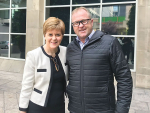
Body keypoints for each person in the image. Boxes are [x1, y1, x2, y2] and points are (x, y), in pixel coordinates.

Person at [66, 7, 133, 113]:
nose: (81, 25)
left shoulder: (110, 43)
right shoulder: (70, 48)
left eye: (84, 21)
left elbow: (124, 78)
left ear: (91, 22)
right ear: (73, 26)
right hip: (75, 109)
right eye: (76, 23)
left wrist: (121, 110)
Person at [19, 17, 68, 113]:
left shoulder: (66, 52)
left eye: (57, 34)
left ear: (62, 36)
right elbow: (27, 85)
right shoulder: (33, 55)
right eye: (50, 34)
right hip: (38, 106)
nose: (54, 38)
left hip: (59, 107)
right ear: (45, 35)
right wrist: (23, 109)